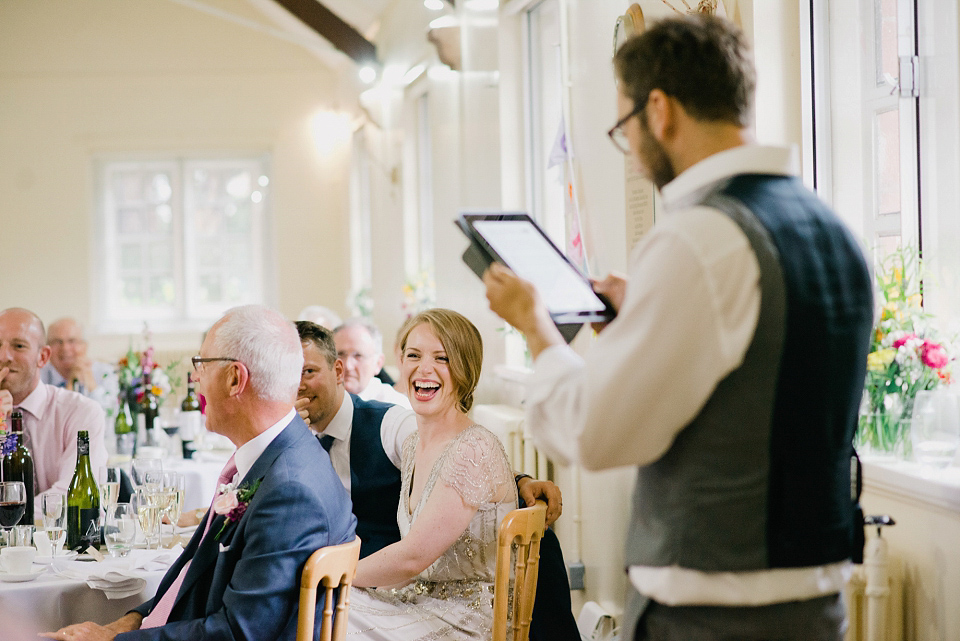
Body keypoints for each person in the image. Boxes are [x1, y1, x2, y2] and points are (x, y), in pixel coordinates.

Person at [484, 15, 874, 641]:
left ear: (659, 110)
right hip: (815, 601)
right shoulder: (831, 231)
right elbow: (763, 370)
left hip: (713, 613)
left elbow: (594, 434)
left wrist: (535, 327)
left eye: (623, 127)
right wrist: (647, 314)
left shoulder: (698, 239)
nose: (633, 153)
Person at [43, 305, 356, 641]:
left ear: (235, 378)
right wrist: (129, 621)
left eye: (201, 365)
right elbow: (194, 573)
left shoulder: (290, 491)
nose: (195, 378)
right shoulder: (276, 455)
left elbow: (238, 633)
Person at [343, 308, 516, 640]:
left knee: (328, 614)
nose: (424, 368)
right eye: (414, 355)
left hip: (466, 620)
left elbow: (414, 557)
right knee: (322, 606)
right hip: (418, 600)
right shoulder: (411, 445)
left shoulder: (473, 448)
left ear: (467, 369)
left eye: (442, 358)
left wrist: (333, 573)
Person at [0, 308, 107, 495]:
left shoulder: (81, 412)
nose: (4, 356)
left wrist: (15, 517)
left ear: (43, 357)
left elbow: (71, 494)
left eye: (18, 346)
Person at [41, 317, 119, 415]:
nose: (65, 348)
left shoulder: (105, 372)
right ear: (47, 348)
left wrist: (91, 384)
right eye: (57, 342)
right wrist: (70, 384)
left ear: (84, 346)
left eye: (72, 341)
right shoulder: (38, 376)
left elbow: (110, 416)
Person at [333, 318, 411, 408]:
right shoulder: (317, 398)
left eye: (358, 356)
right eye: (340, 354)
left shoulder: (395, 406)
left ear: (378, 363)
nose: (348, 366)